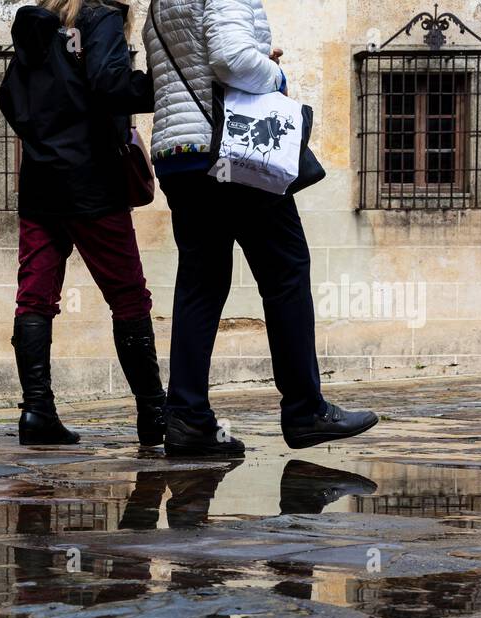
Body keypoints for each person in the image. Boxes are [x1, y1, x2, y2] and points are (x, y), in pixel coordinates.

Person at [144, 0, 378, 456]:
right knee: (286, 271)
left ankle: (188, 418)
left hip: (180, 155)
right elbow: (231, 59)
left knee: (201, 284)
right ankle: (305, 409)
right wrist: (274, 75)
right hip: (231, 154)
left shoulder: (158, 5)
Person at [0, 0, 164, 447]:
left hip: (40, 183)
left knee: (34, 297)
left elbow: (8, 96)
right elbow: (111, 85)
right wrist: (162, 86)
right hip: (93, 182)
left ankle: (37, 411)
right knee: (128, 297)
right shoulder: (99, 19)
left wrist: (45, 140)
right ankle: (153, 413)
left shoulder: (34, 27)